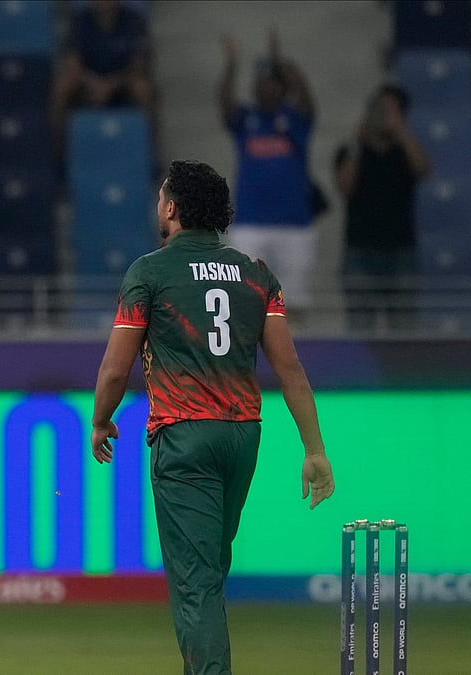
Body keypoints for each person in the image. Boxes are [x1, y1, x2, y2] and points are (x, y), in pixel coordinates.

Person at [89, 160, 335, 674]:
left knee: (195, 582)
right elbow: (289, 368)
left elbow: (115, 370)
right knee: (209, 571)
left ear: (173, 208)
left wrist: (101, 420)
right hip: (243, 438)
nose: (157, 204)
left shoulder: (150, 272)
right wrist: (314, 449)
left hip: (185, 439)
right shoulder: (255, 274)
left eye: (161, 196)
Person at [218, 29, 317, 317]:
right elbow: (225, 106)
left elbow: (308, 99)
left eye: (271, 83)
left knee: (295, 305)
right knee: (246, 303)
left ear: (282, 86)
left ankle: (293, 359)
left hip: (295, 224)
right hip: (251, 224)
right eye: (259, 83)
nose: (263, 88)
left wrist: (283, 63)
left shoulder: (297, 119)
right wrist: (231, 65)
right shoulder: (247, 120)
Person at [334, 84, 431, 333]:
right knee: (360, 327)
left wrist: (401, 132)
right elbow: (345, 187)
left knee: (404, 330)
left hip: (401, 250)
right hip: (360, 250)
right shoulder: (353, 150)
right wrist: (358, 142)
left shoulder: (405, 151)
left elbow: (424, 170)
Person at [48, 0, 155, 171]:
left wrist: (109, 85)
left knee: (143, 89)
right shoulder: (80, 21)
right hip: (87, 82)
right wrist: (93, 83)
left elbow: (138, 65)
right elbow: (73, 63)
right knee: (62, 86)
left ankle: (151, 159)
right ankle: (58, 156)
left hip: (121, 82)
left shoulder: (133, 21)